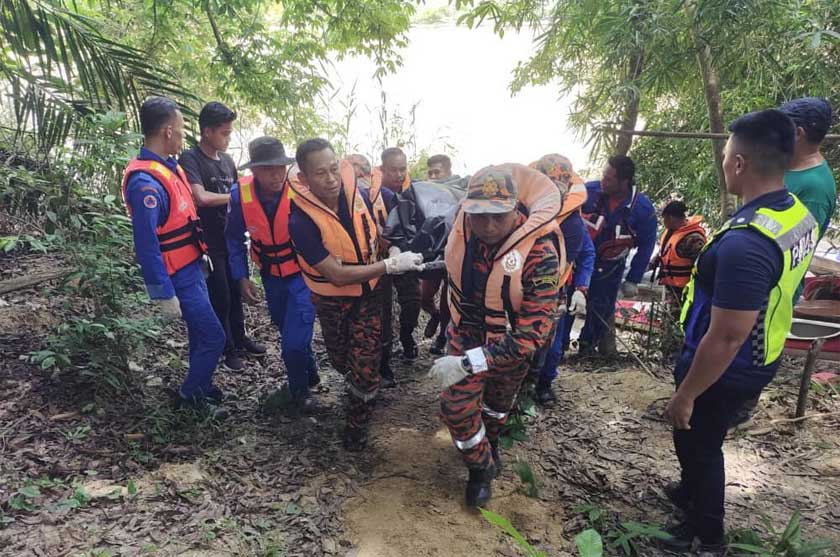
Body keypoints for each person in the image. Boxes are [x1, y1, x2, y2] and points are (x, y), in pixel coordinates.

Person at [660, 109, 818, 556]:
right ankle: (690, 494)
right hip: (759, 350)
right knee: (695, 439)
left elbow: (727, 335)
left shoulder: (748, 242)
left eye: (728, 153)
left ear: (740, 163)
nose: (725, 161)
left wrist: (687, 392)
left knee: (701, 442)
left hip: (728, 363)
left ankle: (707, 536)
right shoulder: (794, 214)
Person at [428, 164, 564, 507]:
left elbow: (531, 335)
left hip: (511, 344)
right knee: (455, 408)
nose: (488, 226)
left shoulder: (539, 252)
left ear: (515, 209)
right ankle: (480, 469)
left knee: (496, 407)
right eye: (479, 215)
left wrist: (468, 363)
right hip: (468, 330)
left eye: (498, 216)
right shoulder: (463, 229)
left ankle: (491, 442)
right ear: (467, 211)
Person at [287, 138, 424, 450]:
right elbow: (335, 276)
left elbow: (377, 234)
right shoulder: (301, 221)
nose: (331, 179)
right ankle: (359, 389)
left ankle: (356, 428)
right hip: (332, 302)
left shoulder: (359, 196)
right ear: (305, 179)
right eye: (320, 173)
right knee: (341, 361)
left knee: (364, 366)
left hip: (369, 297)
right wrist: (389, 266)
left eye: (334, 169)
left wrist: (394, 247)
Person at [121, 96, 226, 417]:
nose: (183, 136)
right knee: (213, 336)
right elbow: (146, 242)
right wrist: (162, 292)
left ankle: (201, 385)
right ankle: (189, 398)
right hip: (177, 274)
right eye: (181, 130)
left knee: (201, 333)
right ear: (167, 132)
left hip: (192, 267)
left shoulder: (168, 167)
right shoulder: (145, 182)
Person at [225, 137, 320, 415]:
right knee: (286, 328)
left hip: (303, 276)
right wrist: (241, 276)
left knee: (292, 342)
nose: (276, 174)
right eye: (268, 169)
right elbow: (232, 239)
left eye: (280, 167)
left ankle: (300, 393)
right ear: (254, 170)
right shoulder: (239, 196)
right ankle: (311, 373)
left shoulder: (300, 191)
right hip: (271, 277)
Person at [179, 102, 265, 371]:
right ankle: (227, 348)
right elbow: (199, 197)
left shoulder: (227, 161)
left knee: (236, 290)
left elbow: (242, 190)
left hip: (231, 238)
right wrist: (235, 199)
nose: (228, 138)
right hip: (208, 242)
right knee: (221, 295)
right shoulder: (191, 159)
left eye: (229, 132)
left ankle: (240, 339)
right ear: (207, 132)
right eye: (224, 133)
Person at [529, 154, 595, 404]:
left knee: (553, 345)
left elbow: (587, 252)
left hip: (554, 289)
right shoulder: (521, 209)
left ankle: (543, 385)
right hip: (517, 286)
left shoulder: (572, 221)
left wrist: (582, 287)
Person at [579, 155, 657, 356]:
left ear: (624, 182)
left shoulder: (642, 209)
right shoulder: (587, 192)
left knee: (600, 308)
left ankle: (586, 349)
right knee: (569, 303)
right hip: (579, 263)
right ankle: (558, 350)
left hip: (610, 268)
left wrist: (633, 279)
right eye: (603, 176)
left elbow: (647, 246)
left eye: (609, 178)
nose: (603, 181)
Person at [369, 147, 421, 386]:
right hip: (381, 261)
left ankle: (408, 336)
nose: (399, 175)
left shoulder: (414, 192)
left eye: (403, 169)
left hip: (407, 256)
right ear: (382, 169)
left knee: (412, 301)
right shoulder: (370, 193)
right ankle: (384, 363)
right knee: (384, 310)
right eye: (394, 170)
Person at [779, 97, 836, 302]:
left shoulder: (815, 188)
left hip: (774, 294)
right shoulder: (788, 167)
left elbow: (793, 249)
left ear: (797, 133)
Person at [422, 153, 457, 354]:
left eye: (438, 172)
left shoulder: (458, 189)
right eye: (431, 172)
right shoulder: (424, 191)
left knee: (446, 300)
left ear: (448, 171)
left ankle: (442, 336)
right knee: (424, 296)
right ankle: (433, 316)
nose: (433, 176)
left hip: (452, 252)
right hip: (431, 252)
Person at [651, 200, 707, 301]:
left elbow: (703, 266)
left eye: (664, 219)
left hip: (686, 290)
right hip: (671, 288)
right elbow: (665, 253)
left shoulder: (693, 239)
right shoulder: (671, 232)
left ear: (671, 218)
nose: (663, 223)